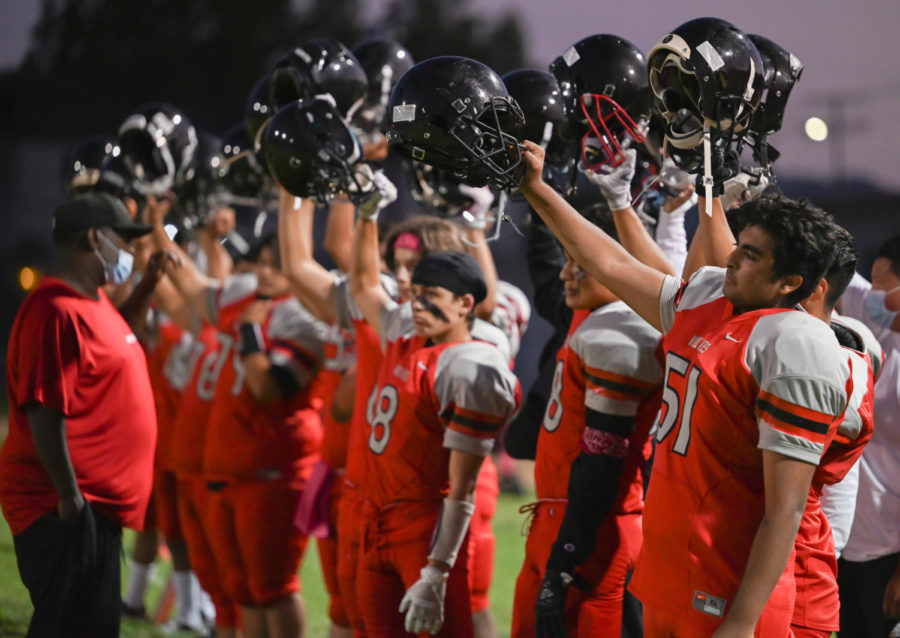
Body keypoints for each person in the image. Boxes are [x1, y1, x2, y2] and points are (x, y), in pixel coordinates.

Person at [518, 140, 852, 636]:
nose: (732, 260)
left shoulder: (796, 345)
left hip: (731, 580)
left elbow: (784, 509)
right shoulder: (708, 298)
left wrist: (740, 623)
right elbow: (611, 264)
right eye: (740, 247)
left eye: (752, 256)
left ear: (790, 282)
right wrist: (536, 189)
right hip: (670, 567)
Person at [348, 184, 520, 637]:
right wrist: (366, 215)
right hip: (375, 515)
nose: (416, 304)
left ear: (464, 304)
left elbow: (459, 489)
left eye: (430, 296)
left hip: (424, 525)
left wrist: (438, 569)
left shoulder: (472, 362)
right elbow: (365, 285)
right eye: (416, 293)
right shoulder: (405, 327)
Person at [0, 192, 166, 637]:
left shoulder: (93, 301)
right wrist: (70, 496)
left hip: (91, 510)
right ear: (95, 238)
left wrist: (148, 285)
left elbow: (113, 342)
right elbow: (44, 411)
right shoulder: (53, 310)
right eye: (124, 239)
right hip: (66, 509)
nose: (129, 251)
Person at [836, 233, 900, 637]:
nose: (870, 291)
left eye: (882, 283)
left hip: (888, 556)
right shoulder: (868, 314)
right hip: (840, 548)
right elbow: (814, 248)